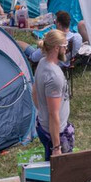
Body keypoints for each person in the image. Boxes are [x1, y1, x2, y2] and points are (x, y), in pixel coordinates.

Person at [32, 29, 72, 160]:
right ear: (56, 48)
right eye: (65, 46)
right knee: (59, 172)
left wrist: (41, 111)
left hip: (43, 125)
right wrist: (56, 147)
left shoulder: (42, 62)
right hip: (55, 133)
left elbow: (34, 91)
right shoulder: (54, 77)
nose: (66, 49)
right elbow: (53, 114)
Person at [18, 11, 83, 65]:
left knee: (18, 43)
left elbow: (35, 57)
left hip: (48, 62)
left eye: (55, 22)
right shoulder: (77, 38)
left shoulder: (54, 41)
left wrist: (46, 41)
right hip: (65, 63)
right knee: (35, 46)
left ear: (59, 24)